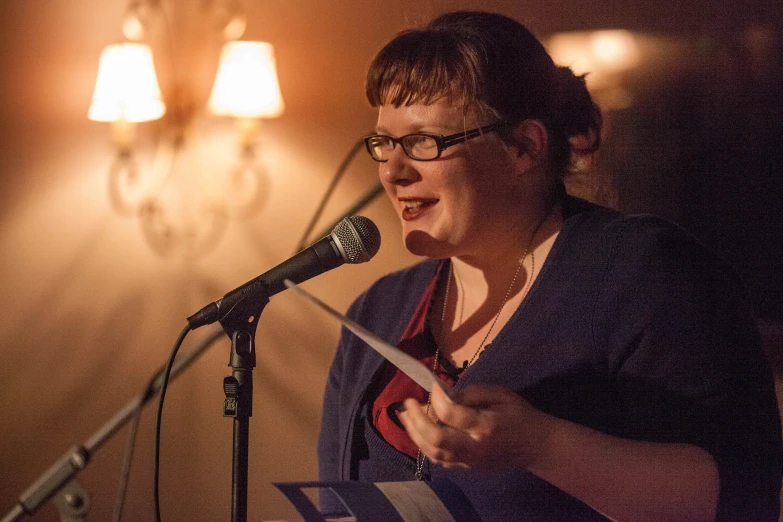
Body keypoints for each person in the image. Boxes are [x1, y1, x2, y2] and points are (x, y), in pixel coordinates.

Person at [317, 10, 783, 522]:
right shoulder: (377, 313)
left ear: (524, 147)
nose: (393, 170)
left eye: (424, 141)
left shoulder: (643, 274)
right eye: (384, 143)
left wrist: (544, 446)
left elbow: (742, 493)